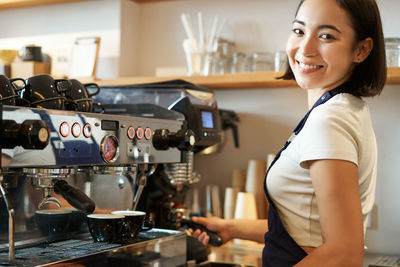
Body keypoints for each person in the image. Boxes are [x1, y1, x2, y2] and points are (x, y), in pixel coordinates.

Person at [190, 0, 386, 266]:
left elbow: (344, 253)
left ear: (361, 50)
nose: (305, 48)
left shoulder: (329, 120)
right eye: (299, 31)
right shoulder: (345, 108)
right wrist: (230, 227)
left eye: (326, 36)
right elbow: (306, 228)